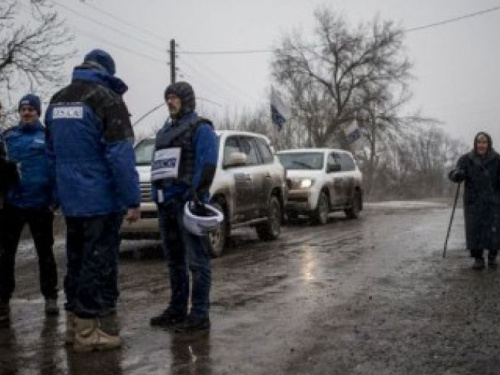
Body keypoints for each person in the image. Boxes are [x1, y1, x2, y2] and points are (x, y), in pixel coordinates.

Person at [44, 49, 140, 351]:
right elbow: (120, 156)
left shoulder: (57, 100)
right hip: (100, 199)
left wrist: (55, 195)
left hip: (71, 201)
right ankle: (89, 332)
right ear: (108, 72)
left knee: (75, 260)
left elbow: (51, 155)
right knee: (96, 263)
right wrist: (132, 199)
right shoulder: (107, 99)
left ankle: (73, 326)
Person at [149, 81, 218, 333]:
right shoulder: (164, 132)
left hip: (189, 205)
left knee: (197, 261)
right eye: (167, 97)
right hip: (166, 205)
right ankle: (177, 309)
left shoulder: (201, 128)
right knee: (174, 261)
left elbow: (207, 164)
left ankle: (199, 314)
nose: (169, 101)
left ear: (186, 99)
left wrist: (196, 197)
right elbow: (159, 167)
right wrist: (158, 194)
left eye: (175, 97)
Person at [0, 94, 59, 322]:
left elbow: (55, 169)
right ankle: (3, 300)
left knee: (45, 253)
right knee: (6, 255)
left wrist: (54, 200)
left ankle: (50, 297)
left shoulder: (47, 137)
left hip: (40, 205)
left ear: (38, 112)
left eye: (31, 109)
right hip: (13, 205)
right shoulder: (7, 137)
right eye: (23, 109)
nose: (26, 113)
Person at [448, 131, 500, 270]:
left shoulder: (497, 159)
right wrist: (457, 175)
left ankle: (493, 256)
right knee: (474, 229)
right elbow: (454, 174)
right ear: (475, 144)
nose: (481, 145)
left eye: (484, 143)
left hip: (493, 202)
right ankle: (478, 258)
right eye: (479, 142)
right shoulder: (466, 159)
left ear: (488, 144)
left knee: (494, 230)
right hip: (473, 202)